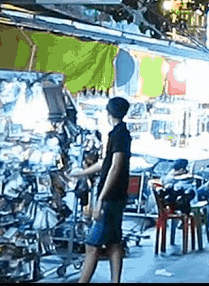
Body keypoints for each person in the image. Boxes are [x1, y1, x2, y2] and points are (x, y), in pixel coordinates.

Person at [69, 96, 131, 284]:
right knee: (113, 243)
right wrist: (82, 173)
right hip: (116, 196)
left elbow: (115, 166)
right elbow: (105, 163)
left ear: (108, 113)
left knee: (92, 245)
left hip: (111, 197)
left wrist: (101, 198)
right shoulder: (120, 133)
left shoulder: (118, 135)